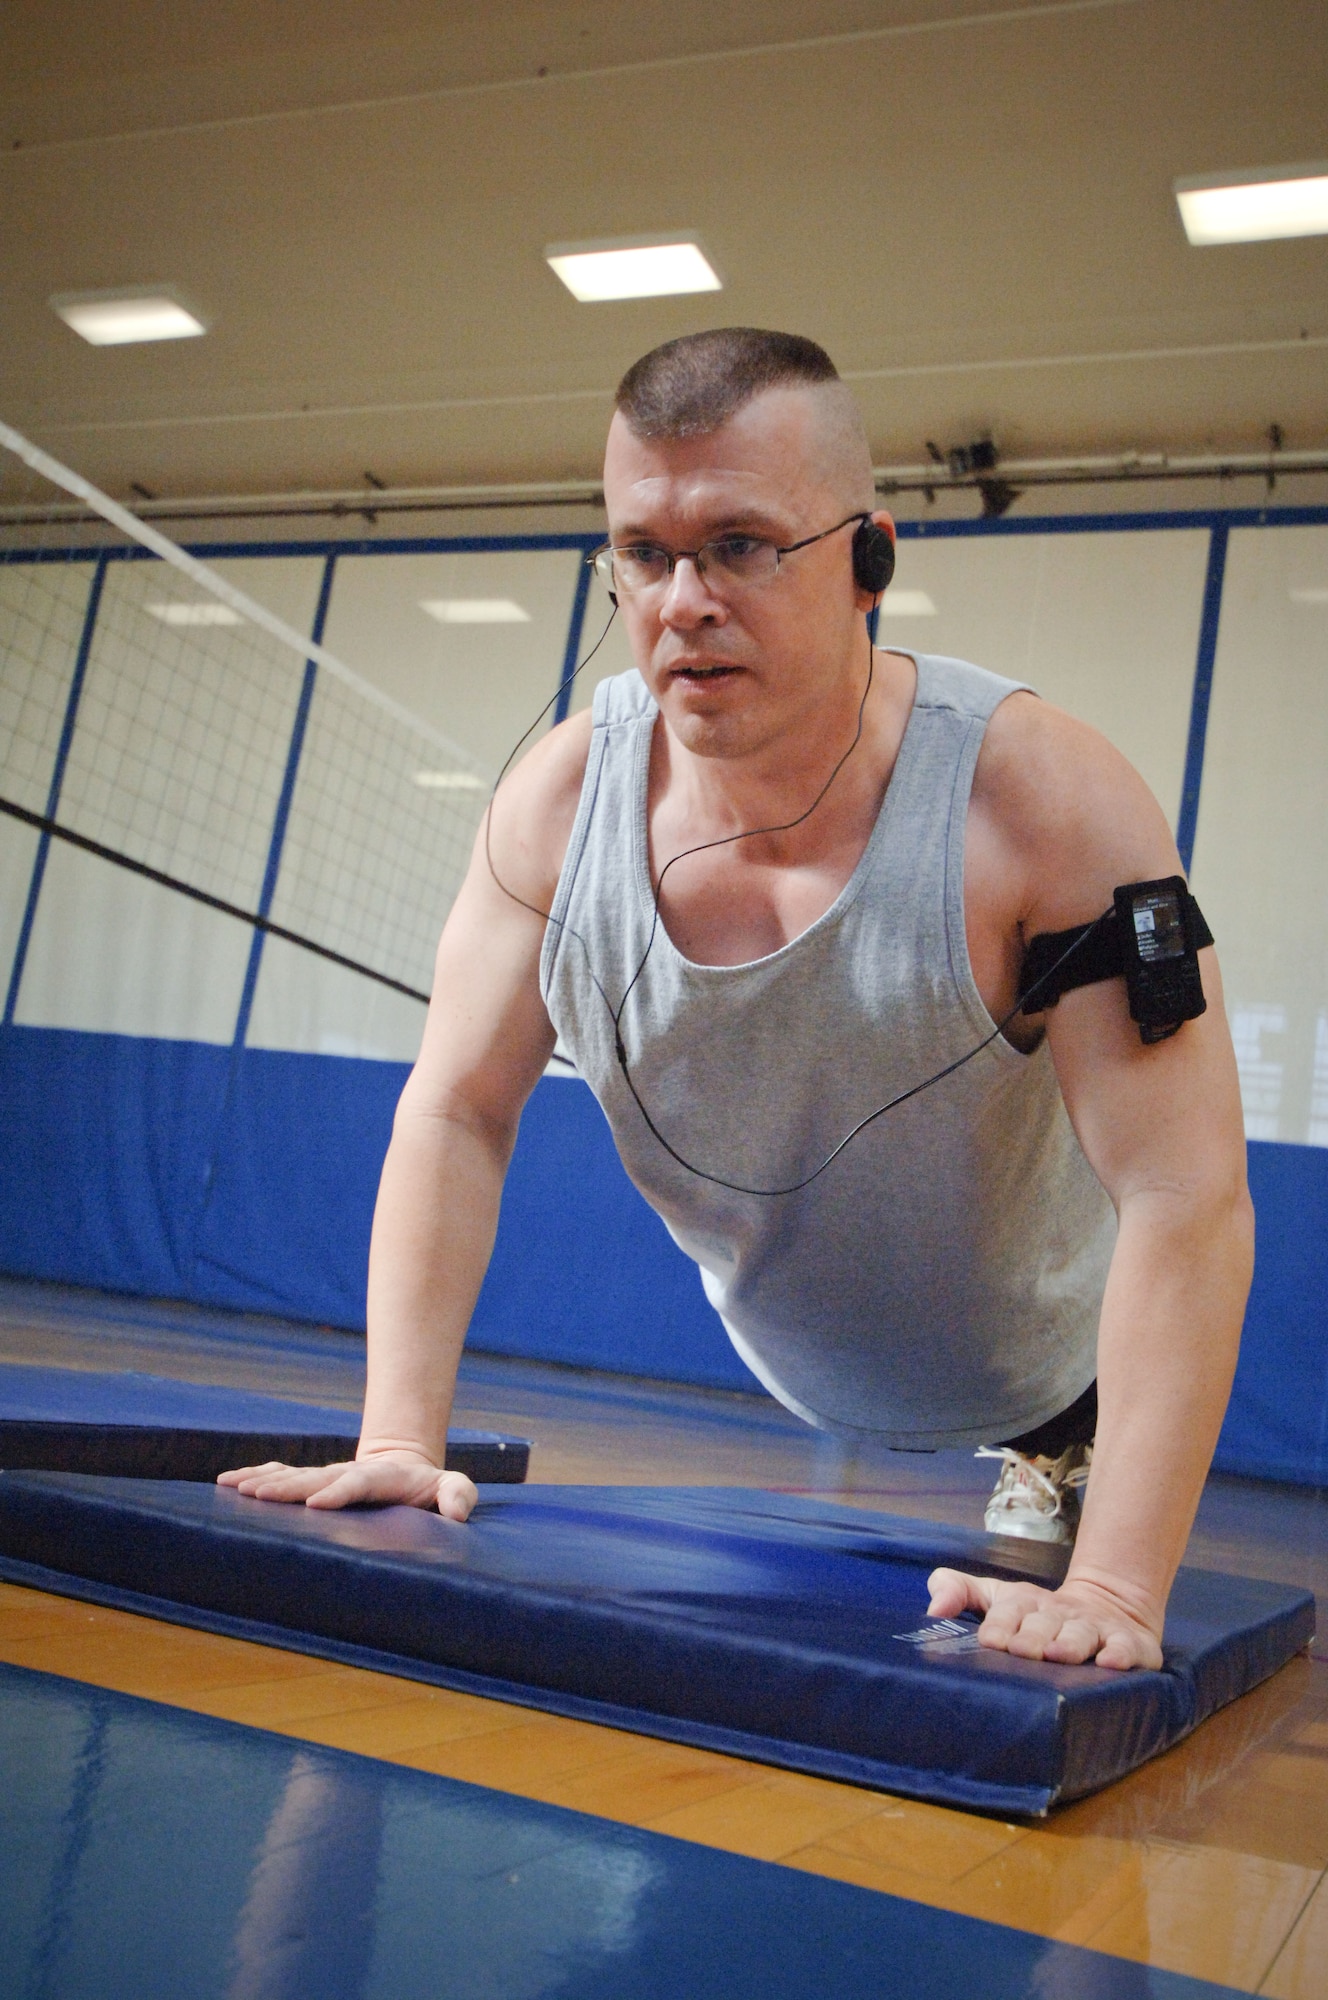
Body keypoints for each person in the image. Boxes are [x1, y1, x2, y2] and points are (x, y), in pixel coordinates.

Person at [221, 329, 1253, 1674]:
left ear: (869, 558)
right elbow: (458, 1105)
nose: (683, 600)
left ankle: (1053, 1464)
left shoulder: (1041, 804)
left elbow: (1187, 1190)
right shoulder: (558, 803)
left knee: (1066, 1422)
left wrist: (1114, 1585)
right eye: (642, 554)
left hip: (1039, 1364)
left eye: (743, 546)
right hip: (788, 1348)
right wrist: (400, 1442)